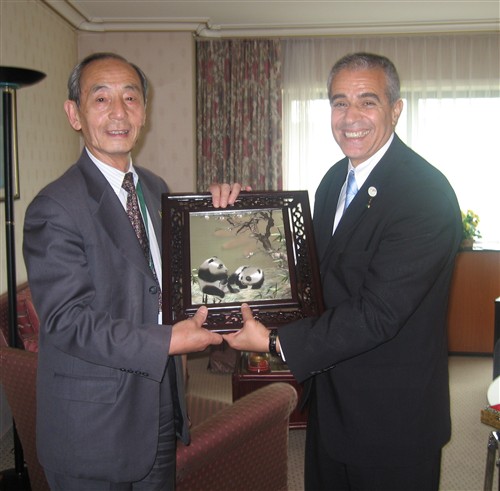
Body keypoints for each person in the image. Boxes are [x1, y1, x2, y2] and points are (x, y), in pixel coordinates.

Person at [222, 52, 462, 490]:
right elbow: (312, 274)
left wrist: (275, 342)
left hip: (392, 420)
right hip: (332, 404)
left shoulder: (425, 194)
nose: (351, 117)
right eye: (339, 103)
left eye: (367, 102)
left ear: (395, 109)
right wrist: (247, 213)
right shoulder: (335, 179)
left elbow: (378, 313)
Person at [23, 52, 240, 490]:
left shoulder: (157, 190)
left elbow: (179, 280)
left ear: (144, 110)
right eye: (101, 98)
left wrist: (226, 215)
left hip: (160, 403)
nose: (119, 112)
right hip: (93, 425)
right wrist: (169, 340)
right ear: (74, 114)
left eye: (131, 97)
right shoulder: (55, 206)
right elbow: (68, 321)